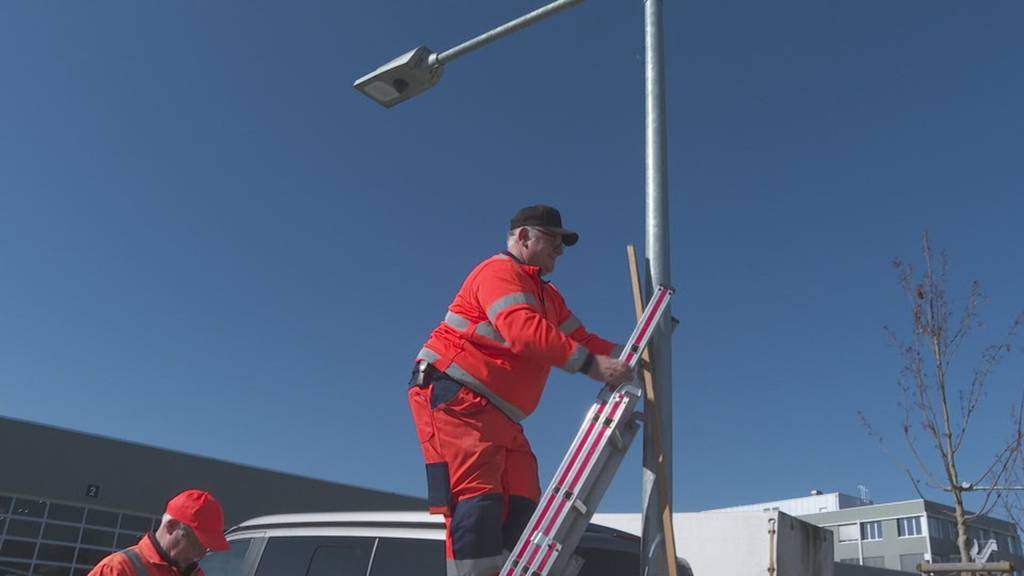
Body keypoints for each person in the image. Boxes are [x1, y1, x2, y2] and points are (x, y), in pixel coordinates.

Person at [408, 205, 634, 576]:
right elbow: (522, 330)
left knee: (523, 500)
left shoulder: (548, 295)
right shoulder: (498, 272)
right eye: (554, 240)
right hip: (456, 395)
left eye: (564, 244)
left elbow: (583, 338)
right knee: (479, 500)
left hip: (501, 414)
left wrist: (631, 354)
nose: (560, 251)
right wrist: (596, 367)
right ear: (524, 237)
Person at [88, 489, 230, 576]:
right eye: (197, 543)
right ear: (171, 525)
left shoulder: (196, 574)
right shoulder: (117, 570)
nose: (201, 554)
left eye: (207, 548)